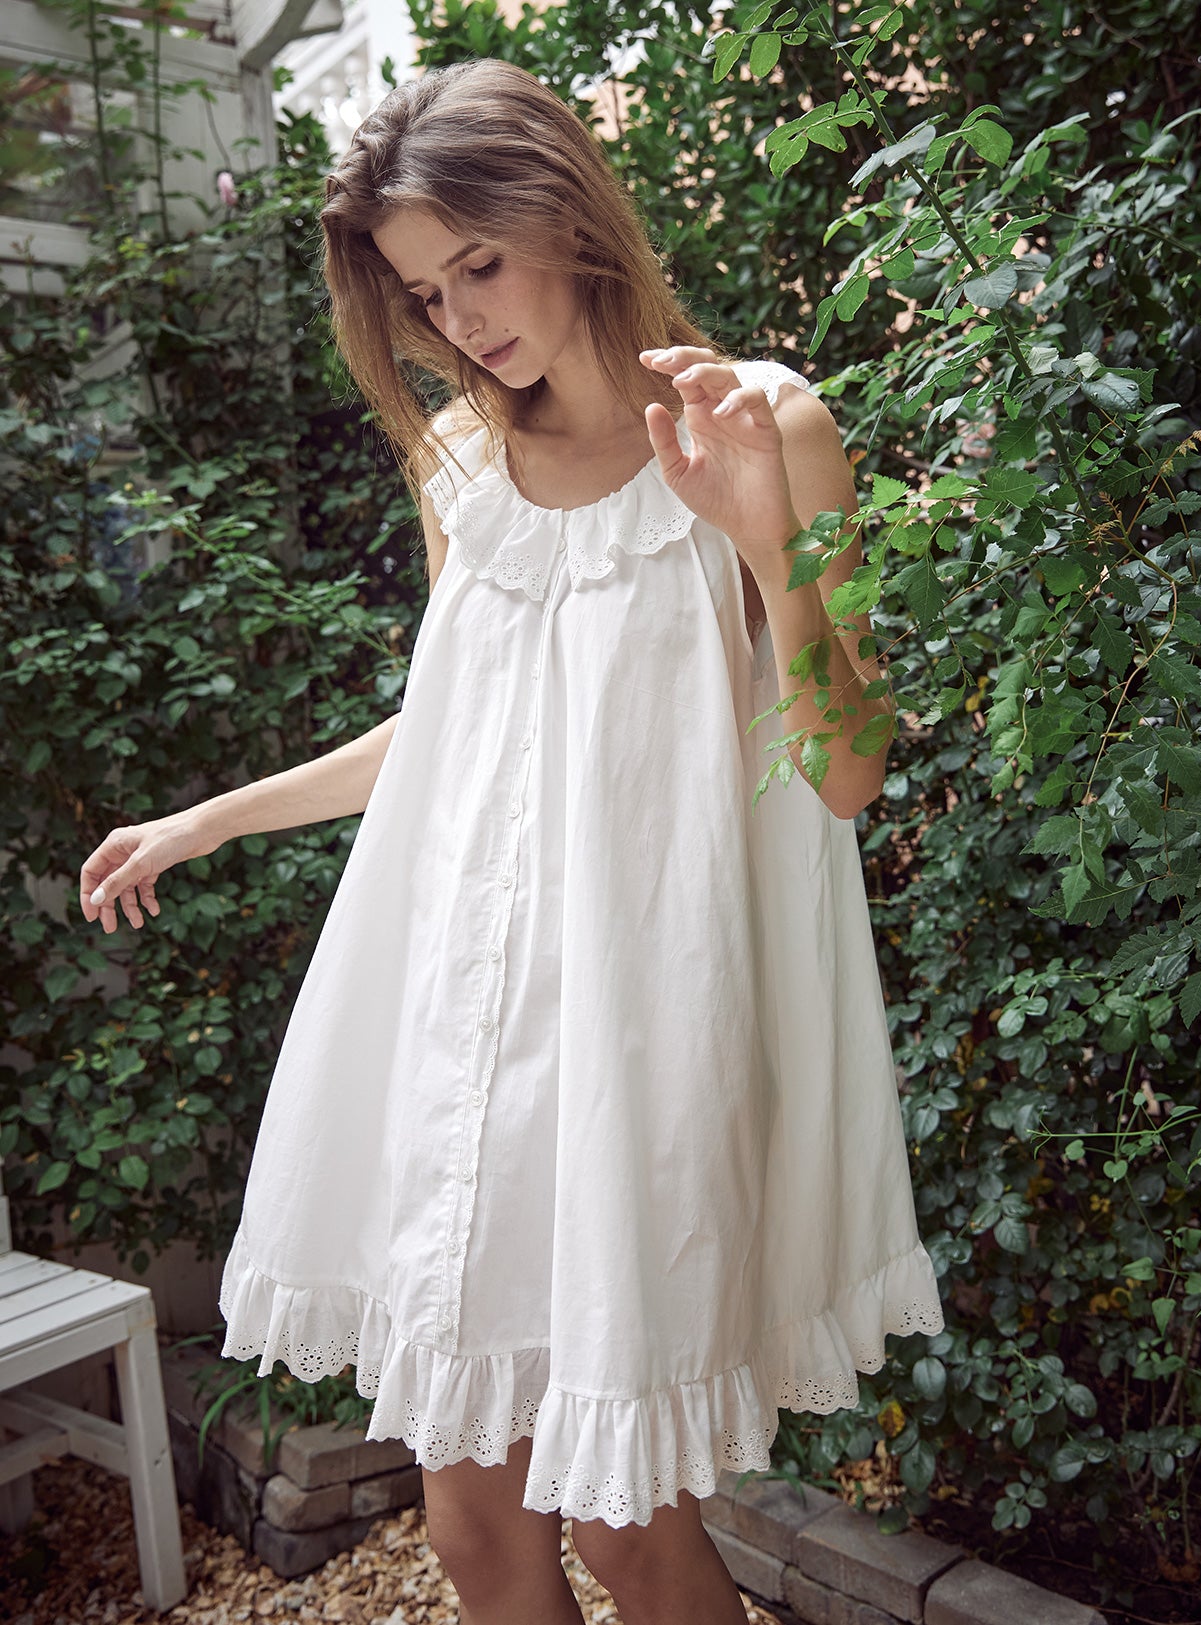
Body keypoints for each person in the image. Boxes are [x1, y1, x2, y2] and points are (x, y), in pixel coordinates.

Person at [80, 58, 945, 1625]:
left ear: (566, 212)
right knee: (475, 1531)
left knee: (630, 1533)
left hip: (637, 1044)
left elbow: (847, 772)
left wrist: (765, 540)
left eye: (478, 262)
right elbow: (463, 724)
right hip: (460, 1034)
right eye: (424, 291)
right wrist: (210, 815)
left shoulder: (763, 422)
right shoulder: (464, 458)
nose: (461, 316)